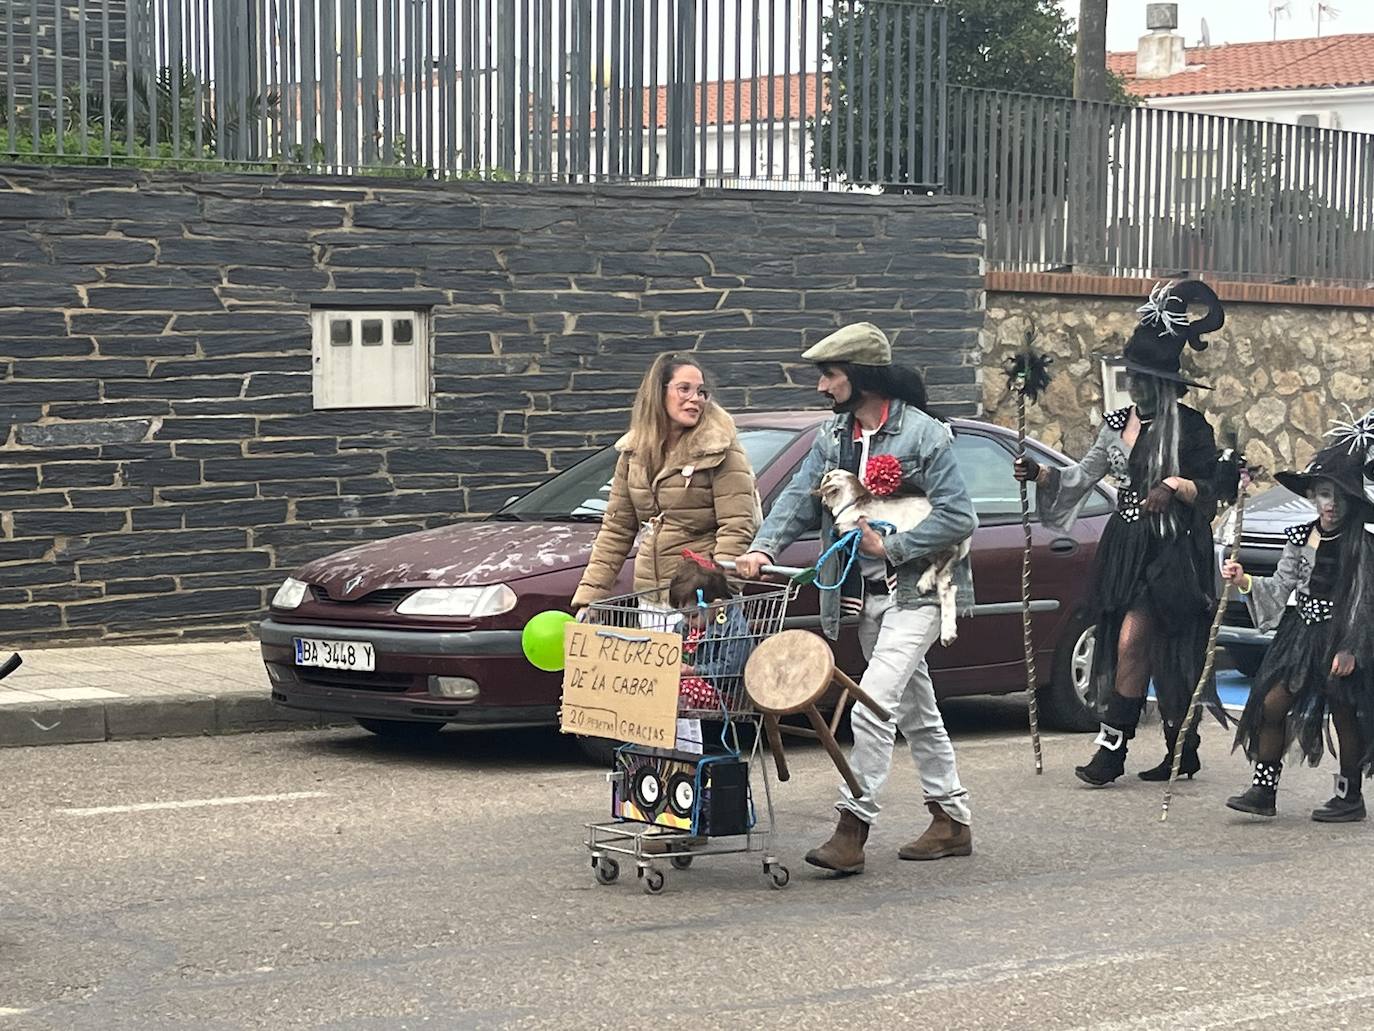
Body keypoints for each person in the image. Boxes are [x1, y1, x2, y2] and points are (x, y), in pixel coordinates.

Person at [735, 323, 978, 876]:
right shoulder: (834, 437)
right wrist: (762, 550)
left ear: (863, 376)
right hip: (861, 598)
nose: (822, 387)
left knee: (871, 704)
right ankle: (952, 820)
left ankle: (854, 826)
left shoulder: (924, 436)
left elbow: (960, 517)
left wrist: (893, 545)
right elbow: (799, 495)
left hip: (916, 594)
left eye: (831, 375)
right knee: (917, 710)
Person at [1014, 280, 1229, 785]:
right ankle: (1182, 745)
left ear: (1167, 382)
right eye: (1133, 374)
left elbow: (1214, 489)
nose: (1135, 384)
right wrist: (1041, 476)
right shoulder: (1114, 423)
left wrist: (1175, 486)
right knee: (1126, 643)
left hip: (1173, 551)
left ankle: (1112, 750)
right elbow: (1079, 477)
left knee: (1136, 640)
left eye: (1146, 377)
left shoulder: (1193, 428)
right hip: (1126, 546)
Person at [1221, 420, 1374, 822]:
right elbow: (1280, 586)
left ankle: (1349, 795)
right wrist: (1245, 579)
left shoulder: (1362, 543)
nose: (1332, 504)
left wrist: (1351, 647)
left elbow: (1364, 599)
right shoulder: (1298, 537)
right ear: (1312, 496)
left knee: (1343, 707)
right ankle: (1263, 790)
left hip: (1343, 633)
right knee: (1272, 703)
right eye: (1324, 494)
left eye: (1340, 496)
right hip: (1301, 633)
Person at [571, 354, 760, 618]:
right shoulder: (633, 452)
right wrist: (591, 595)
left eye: (701, 391)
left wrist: (719, 592)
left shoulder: (719, 449)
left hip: (698, 599)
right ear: (658, 393)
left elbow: (737, 526)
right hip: (651, 597)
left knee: (702, 662)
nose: (695, 398)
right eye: (684, 389)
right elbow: (617, 529)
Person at [667, 553, 755, 715]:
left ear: (716, 606)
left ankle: (685, 735)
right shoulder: (685, 627)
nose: (687, 621)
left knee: (684, 692)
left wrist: (693, 670)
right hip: (694, 686)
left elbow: (730, 670)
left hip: (725, 695)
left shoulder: (734, 629)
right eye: (683, 615)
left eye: (693, 616)